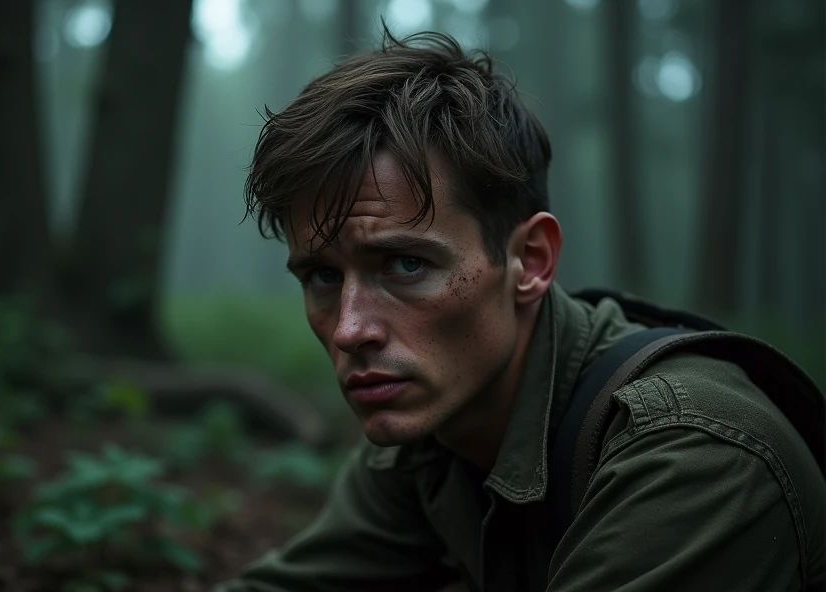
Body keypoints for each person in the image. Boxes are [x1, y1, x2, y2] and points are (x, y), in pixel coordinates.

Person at [212, 29, 826, 592]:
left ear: (530, 261)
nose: (349, 330)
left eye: (405, 265)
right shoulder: (427, 429)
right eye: (322, 275)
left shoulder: (693, 459)